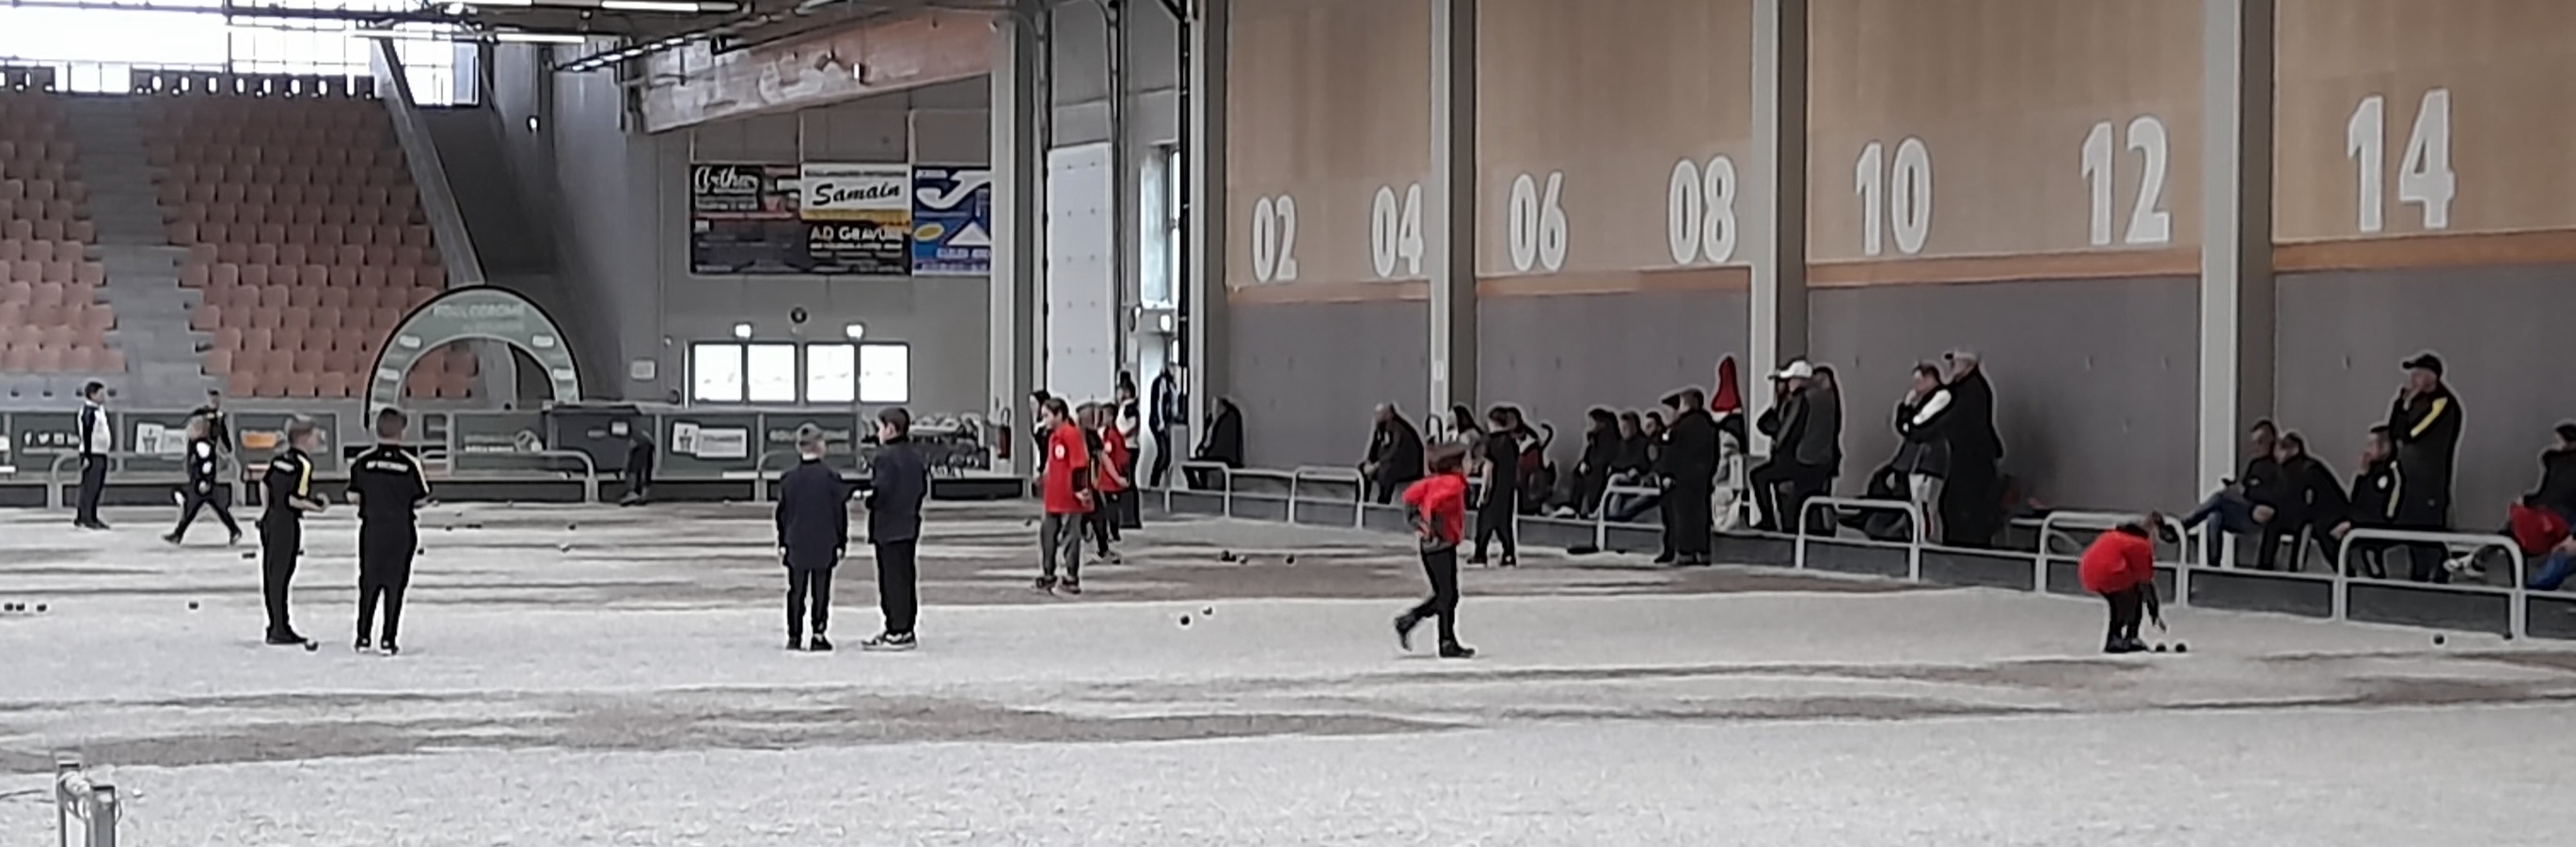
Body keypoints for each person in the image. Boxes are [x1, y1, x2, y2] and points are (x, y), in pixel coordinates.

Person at [348, 407, 430, 656]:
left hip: (372, 528)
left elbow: (353, 496)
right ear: (402, 432)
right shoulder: (409, 464)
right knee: (395, 584)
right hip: (400, 529)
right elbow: (421, 498)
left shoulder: (363, 462)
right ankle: (388, 639)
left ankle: (363, 636)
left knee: (368, 582)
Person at [1394, 443, 1475, 659]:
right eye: (1468, 460)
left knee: (1445, 594)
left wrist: (1417, 521)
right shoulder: (1453, 484)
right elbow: (1435, 503)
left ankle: (1421, 627)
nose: (1472, 465)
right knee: (1448, 595)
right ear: (1457, 465)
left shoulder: (1434, 481)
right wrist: (1431, 525)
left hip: (1431, 545)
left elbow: (1409, 496)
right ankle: (1440, 637)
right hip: (1441, 545)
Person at [2387, 353, 2463, 582]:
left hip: (2430, 479)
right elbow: (2394, 430)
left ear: (2432, 377)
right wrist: (2400, 405)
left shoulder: (2442, 403)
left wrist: (2407, 406)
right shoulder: (2413, 401)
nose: (2413, 378)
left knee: (2430, 528)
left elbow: (2413, 433)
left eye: (2419, 373)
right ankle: (2418, 574)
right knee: (2411, 526)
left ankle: (2441, 570)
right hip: (2409, 476)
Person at [775, 424, 847, 651]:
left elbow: (782, 514)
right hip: (824, 541)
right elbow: (839, 513)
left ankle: (794, 636)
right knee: (821, 591)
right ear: (819, 446)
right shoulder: (832, 478)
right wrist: (841, 541)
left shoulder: (788, 479)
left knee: (796, 590)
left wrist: (783, 541)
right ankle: (818, 633)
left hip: (796, 541)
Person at [861, 407, 928, 651]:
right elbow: (921, 488)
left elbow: (882, 491)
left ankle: (895, 628)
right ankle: (906, 627)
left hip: (888, 526)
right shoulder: (915, 456)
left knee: (890, 581)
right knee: (906, 578)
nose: (878, 433)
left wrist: (869, 500)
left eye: (881, 427)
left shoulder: (884, 457)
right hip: (909, 523)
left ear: (891, 429)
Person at [256, 416, 325, 647]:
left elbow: (265, 484)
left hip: (271, 520)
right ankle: (280, 628)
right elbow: (294, 499)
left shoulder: (279, 460)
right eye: (314, 435)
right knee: (283, 575)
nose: (317, 439)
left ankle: (275, 623)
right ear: (303, 438)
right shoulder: (303, 465)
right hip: (286, 523)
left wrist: (267, 511)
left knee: (271, 575)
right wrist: (317, 507)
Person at [2180, 420, 2280, 567]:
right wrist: (2238, 487)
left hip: (2260, 514)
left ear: (2271, 440)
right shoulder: (2255, 463)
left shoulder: (2278, 466)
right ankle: (2213, 565)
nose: (2257, 447)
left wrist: (2248, 491)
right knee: (2214, 516)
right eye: (2255, 443)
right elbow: (2245, 484)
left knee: (2220, 497)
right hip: (2244, 510)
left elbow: (2273, 493)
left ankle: (2185, 523)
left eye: (2260, 442)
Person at [1749, 360, 1825, 533]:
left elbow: (1789, 431)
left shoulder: (1800, 400)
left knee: (1759, 477)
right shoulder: (1820, 399)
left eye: (1790, 380)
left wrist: (1778, 437)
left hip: (1798, 458)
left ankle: (1768, 521)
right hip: (1815, 460)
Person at [2077, 513, 2169, 654]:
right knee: (2131, 595)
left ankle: (2120, 635)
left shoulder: (2114, 535)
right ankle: (2124, 636)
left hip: (2088, 570)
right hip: (2110, 573)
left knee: (2120, 598)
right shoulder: (2141, 544)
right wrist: (2154, 613)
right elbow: (2146, 581)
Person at [1940, 351, 2006, 547]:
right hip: (1968, 457)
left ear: (1970, 364)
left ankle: (1967, 546)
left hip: (1972, 459)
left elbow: (1965, 423)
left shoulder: (1972, 390)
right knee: (1955, 505)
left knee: (1963, 506)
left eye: (1957, 361)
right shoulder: (1964, 388)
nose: (1952, 365)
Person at [2253, 431, 2343, 572]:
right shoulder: (2282, 470)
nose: (2276, 454)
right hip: (2298, 513)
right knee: (2273, 523)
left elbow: (2305, 499)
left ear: (2294, 450)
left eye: (2281, 449)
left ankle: (2294, 568)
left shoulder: (2309, 470)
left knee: (2300, 525)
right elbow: (2277, 493)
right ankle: (2265, 566)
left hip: (2319, 515)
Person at [1658, 388, 1722, 564]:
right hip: (1702, 477)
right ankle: (1703, 552)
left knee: (1682, 516)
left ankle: (1685, 552)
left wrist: (1667, 473)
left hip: (1681, 478)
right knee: (1701, 515)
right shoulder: (1709, 425)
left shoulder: (1680, 427)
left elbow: (1672, 452)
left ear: (1686, 404)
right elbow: (1715, 453)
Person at [1036, 396, 1093, 593]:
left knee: (1071, 535)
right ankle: (1048, 572)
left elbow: (1079, 464)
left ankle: (1071, 576)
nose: (1044, 420)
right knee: (1047, 534)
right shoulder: (1054, 436)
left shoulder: (1071, 434)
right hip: (1053, 495)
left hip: (1069, 496)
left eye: (1047, 415)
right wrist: (1043, 476)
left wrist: (1080, 490)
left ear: (1059, 415)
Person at [1892, 363, 1952, 542]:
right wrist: (1906, 407)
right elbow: (1904, 427)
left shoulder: (1942, 396)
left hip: (1930, 458)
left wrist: (1909, 424)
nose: (1916, 386)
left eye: (1919, 381)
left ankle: (1930, 540)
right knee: (1916, 502)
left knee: (1928, 503)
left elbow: (1919, 424)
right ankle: (1919, 538)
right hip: (1917, 459)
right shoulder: (1919, 401)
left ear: (1930, 379)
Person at [2332, 427, 2403, 578]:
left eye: (2372, 444)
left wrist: (2353, 524)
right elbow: (2356, 503)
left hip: (2383, 526)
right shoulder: (2368, 472)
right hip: (2362, 522)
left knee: (2365, 545)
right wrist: (2361, 476)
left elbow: (2385, 512)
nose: (2367, 449)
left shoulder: (2391, 473)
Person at [163, 415, 242, 546]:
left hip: (202, 484)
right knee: (213, 508)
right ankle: (234, 530)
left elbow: (207, 464)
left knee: (193, 509)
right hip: (200, 483)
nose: (189, 431)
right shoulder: (196, 444)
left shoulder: (201, 445)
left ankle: (178, 534)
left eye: (192, 428)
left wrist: (205, 481)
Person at [1469, 405, 1524, 568]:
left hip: (1493, 488)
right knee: (1504, 524)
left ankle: (1480, 553)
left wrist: (1484, 491)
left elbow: (1489, 468)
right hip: (1507, 489)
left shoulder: (1490, 442)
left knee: (1484, 523)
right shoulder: (1512, 442)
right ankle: (1509, 554)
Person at [1083, 404, 1129, 563]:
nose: (1099, 421)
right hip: (1077, 483)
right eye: (1096, 417)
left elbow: (1104, 458)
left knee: (1098, 515)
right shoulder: (1074, 434)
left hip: (1089, 483)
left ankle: (1102, 549)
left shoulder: (1094, 436)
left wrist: (1117, 478)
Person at [1362, 403, 1427, 505]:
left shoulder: (1398, 427)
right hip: (1391, 461)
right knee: (1362, 469)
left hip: (1409, 464)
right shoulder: (1380, 427)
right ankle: (1363, 499)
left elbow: (1394, 450)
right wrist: (1369, 461)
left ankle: (1383, 500)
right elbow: (1375, 446)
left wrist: (1377, 464)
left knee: (1386, 472)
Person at [1568, 408, 1621, 518]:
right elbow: (1588, 455)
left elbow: (1604, 459)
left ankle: (1587, 509)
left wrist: (1590, 465)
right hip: (1591, 470)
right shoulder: (1594, 439)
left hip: (1600, 473)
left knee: (1592, 481)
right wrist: (1584, 464)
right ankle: (1577, 508)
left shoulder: (1609, 440)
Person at [73, 381, 111, 530]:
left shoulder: (99, 410)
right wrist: (87, 456)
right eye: (101, 394)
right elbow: (87, 434)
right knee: (90, 486)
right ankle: (86, 517)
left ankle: (91, 515)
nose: (104, 397)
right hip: (92, 453)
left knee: (96, 486)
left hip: (100, 452)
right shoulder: (89, 412)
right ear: (92, 395)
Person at [1186, 397, 1243, 489]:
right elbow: (1205, 439)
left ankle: (1201, 487)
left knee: (1193, 465)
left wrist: (1206, 451)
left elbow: (1222, 445)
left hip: (1223, 457)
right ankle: (1199, 486)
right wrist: (1200, 449)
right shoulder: (1210, 421)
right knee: (1189, 464)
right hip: (1211, 453)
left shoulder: (1229, 419)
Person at [1113, 376, 1146, 529]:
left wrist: (1121, 435)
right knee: (1127, 482)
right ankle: (1127, 516)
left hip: (1129, 446)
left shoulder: (1129, 408)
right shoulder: (1124, 407)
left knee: (1128, 482)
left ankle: (1130, 517)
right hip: (1127, 446)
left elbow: (1133, 425)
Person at [1148, 366, 1181, 488]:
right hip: (1159, 423)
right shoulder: (1161, 383)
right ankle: (1154, 483)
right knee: (1163, 453)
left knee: (1167, 454)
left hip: (1167, 423)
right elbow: (1158, 404)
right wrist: (1161, 424)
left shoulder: (1171, 385)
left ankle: (1164, 483)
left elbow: (1173, 403)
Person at [620, 426, 656, 506]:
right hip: (646, 445)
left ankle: (634, 492)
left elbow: (629, 451)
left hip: (641, 445)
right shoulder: (641, 436)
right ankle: (642, 495)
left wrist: (625, 465)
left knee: (636, 468)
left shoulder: (635, 439)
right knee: (644, 470)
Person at [191, 388, 233, 455]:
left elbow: (223, 433)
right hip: (199, 442)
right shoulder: (201, 412)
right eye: (213, 401)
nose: (215, 403)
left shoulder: (219, 417)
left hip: (211, 444)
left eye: (217, 401)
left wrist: (229, 448)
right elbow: (193, 421)